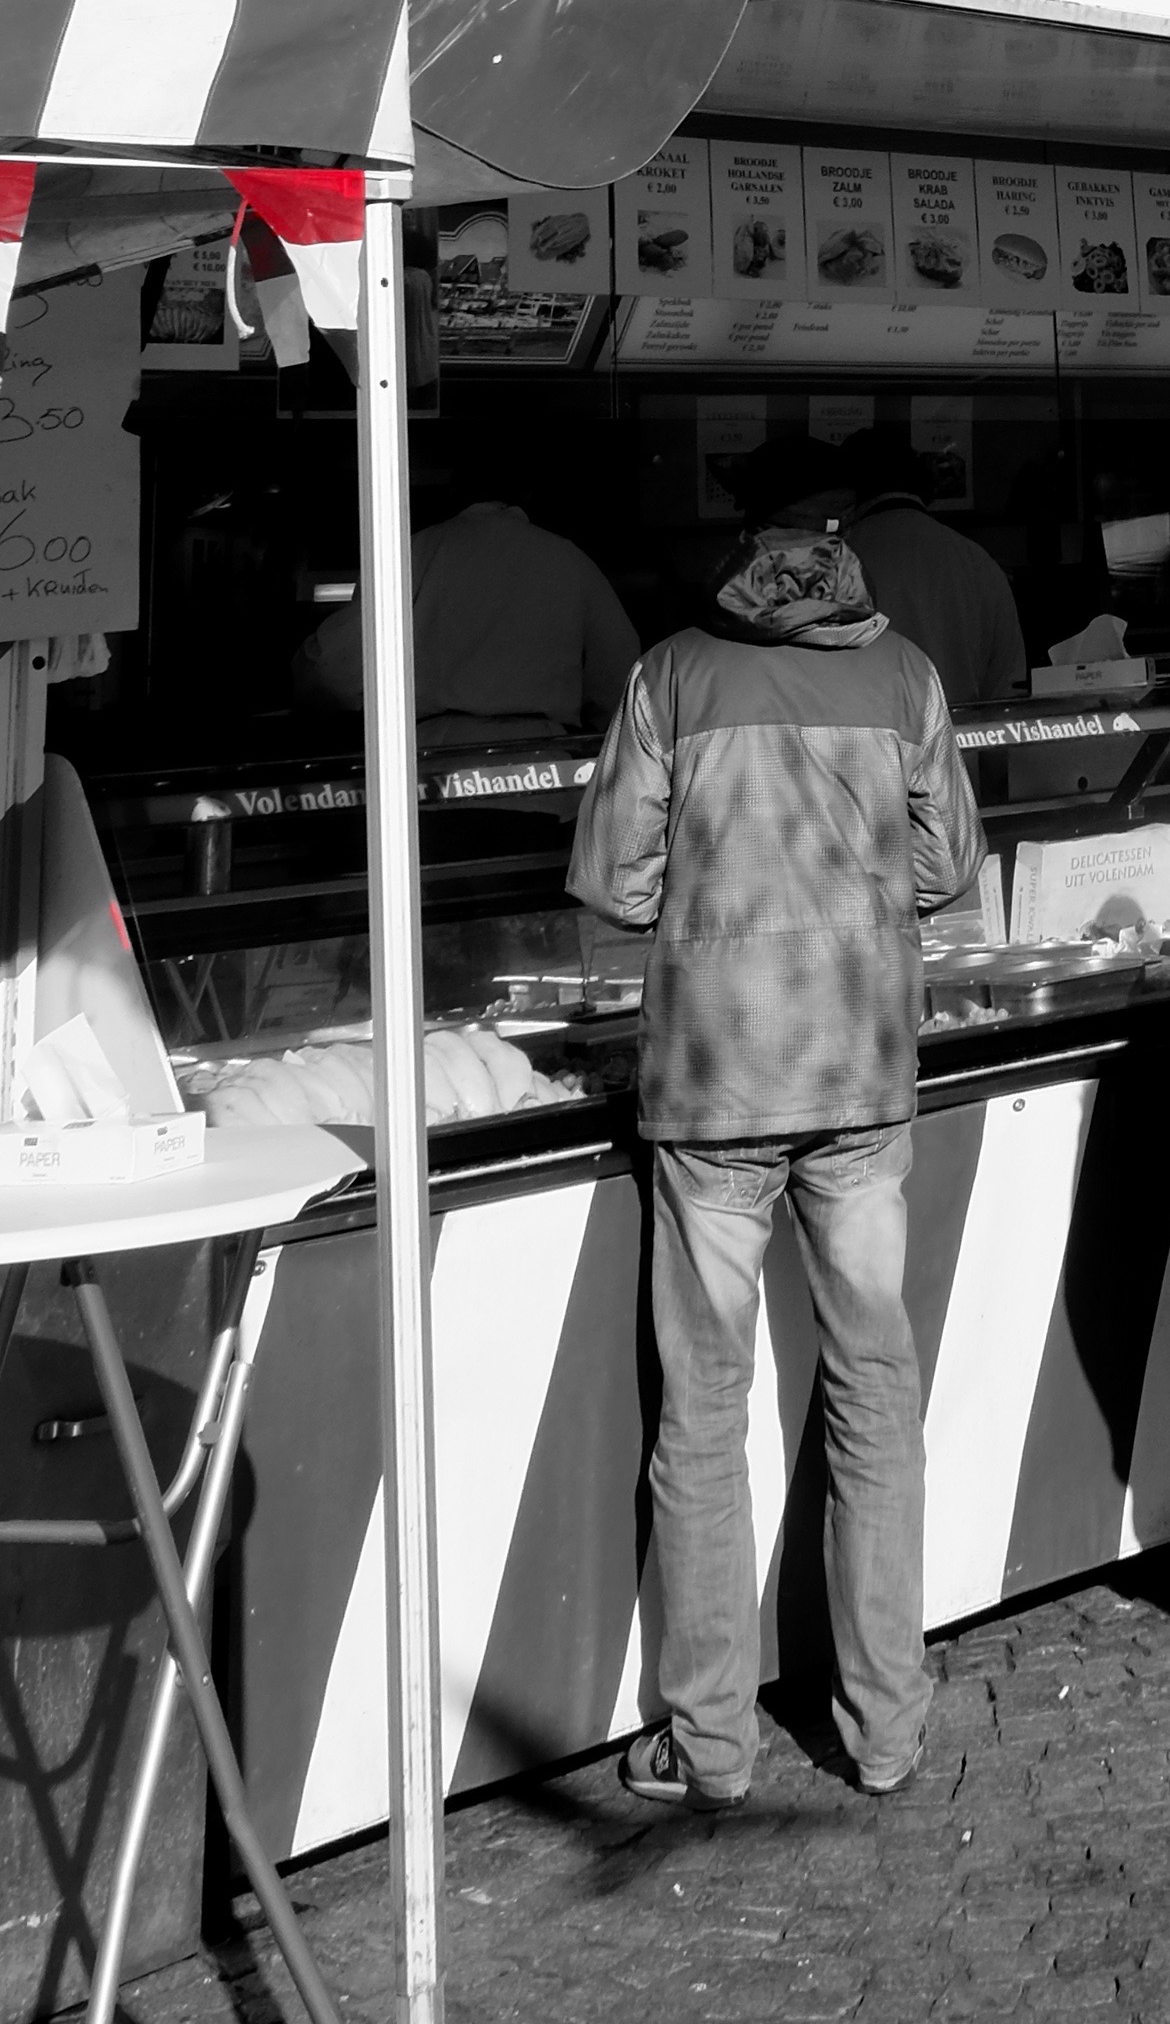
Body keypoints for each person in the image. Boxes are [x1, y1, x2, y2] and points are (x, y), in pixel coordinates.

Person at [568, 519, 985, 1814]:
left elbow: (611, 881)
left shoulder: (671, 675)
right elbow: (949, 864)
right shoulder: (907, 675)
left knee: (702, 1411)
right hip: (860, 1076)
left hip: (712, 1085)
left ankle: (711, 1744)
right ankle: (887, 1726)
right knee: (874, 1389)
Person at [295, 447, 639, 741]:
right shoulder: (569, 560)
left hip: (434, 771)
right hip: (544, 774)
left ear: (454, 492)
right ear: (528, 493)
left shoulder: (412, 554)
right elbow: (619, 672)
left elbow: (330, 670)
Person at [782, 433, 1029, 715]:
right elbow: (1006, 690)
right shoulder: (977, 562)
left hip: (863, 746)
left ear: (849, 488)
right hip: (961, 744)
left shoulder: (836, 559)